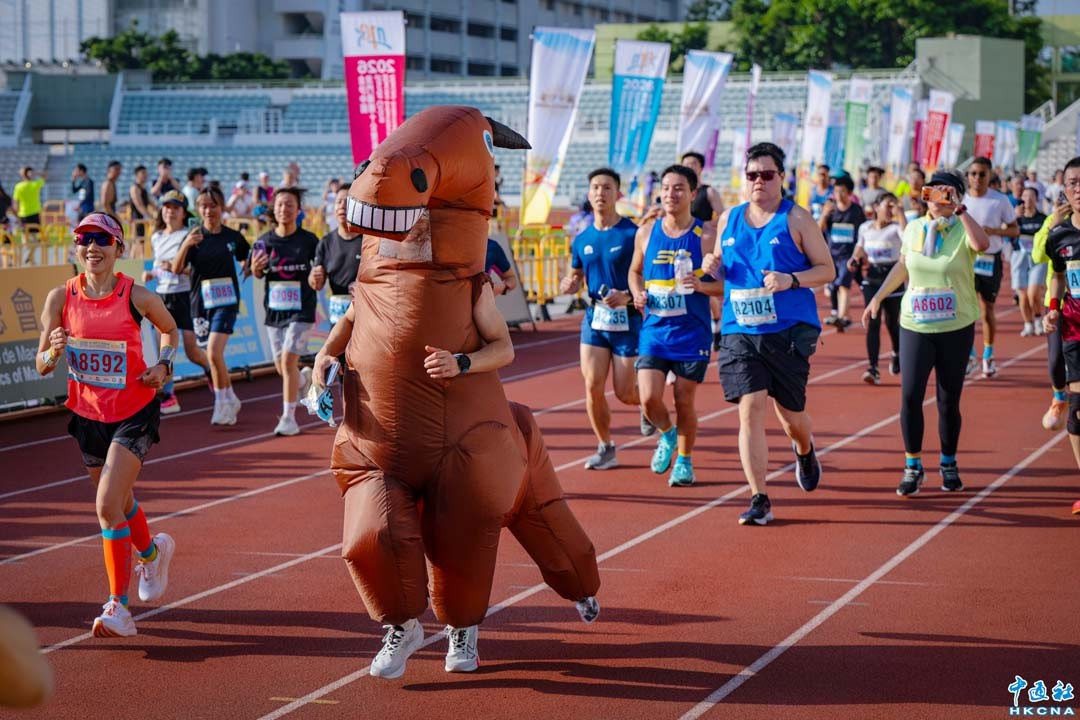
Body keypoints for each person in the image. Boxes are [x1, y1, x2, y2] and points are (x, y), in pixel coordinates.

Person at [34, 211, 178, 637]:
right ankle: (152, 555)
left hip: (134, 412)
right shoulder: (60, 298)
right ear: (76, 247)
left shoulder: (137, 296)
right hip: (88, 415)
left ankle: (119, 606)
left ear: (119, 248)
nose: (92, 247)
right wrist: (53, 351)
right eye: (84, 239)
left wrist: (163, 365)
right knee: (119, 500)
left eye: (102, 239)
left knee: (105, 506)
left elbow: (169, 330)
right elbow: (41, 364)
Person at [704, 142, 832, 525]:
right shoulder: (729, 219)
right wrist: (713, 267)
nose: (759, 181)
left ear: (781, 177)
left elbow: (827, 270)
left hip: (787, 330)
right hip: (739, 329)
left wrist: (791, 279)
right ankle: (759, 496)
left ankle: (804, 449)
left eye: (766, 174)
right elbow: (725, 269)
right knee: (750, 409)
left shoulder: (797, 219)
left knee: (791, 416)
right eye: (752, 175)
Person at [862, 170, 990, 497]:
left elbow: (982, 245)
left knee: (948, 400)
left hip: (955, 326)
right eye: (932, 191)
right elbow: (904, 265)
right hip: (916, 324)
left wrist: (960, 211)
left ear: (957, 197)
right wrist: (878, 297)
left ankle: (948, 463)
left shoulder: (964, 227)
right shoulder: (914, 227)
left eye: (946, 193)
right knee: (910, 396)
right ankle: (913, 466)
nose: (937, 198)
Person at [629, 165, 720, 487]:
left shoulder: (706, 236)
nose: (671, 194)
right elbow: (635, 271)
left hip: (692, 332)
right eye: (666, 187)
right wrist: (637, 292)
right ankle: (667, 434)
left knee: (683, 400)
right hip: (654, 331)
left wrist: (702, 285)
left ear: (693, 194)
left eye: (679, 188)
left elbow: (728, 285)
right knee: (648, 399)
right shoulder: (646, 232)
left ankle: (684, 461)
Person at [560, 168, 649, 471]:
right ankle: (605, 447)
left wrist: (628, 295)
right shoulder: (582, 238)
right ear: (589, 194)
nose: (600, 193)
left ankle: (647, 402)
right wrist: (570, 283)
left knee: (625, 393)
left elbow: (648, 275)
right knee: (592, 386)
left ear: (618, 194)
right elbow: (576, 273)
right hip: (595, 319)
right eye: (596, 187)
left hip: (627, 318)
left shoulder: (632, 233)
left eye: (607, 187)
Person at [172, 187, 250, 425]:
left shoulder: (233, 237)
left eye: (213, 205)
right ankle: (229, 398)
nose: (208, 211)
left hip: (227, 302)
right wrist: (186, 245)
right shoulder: (194, 237)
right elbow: (176, 269)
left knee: (214, 352)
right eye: (204, 206)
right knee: (213, 357)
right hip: (200, 303)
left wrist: (250, 267)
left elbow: (247, 259)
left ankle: (220, 404)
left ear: (221, 207)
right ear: (198, 209)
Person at [249, 187, 318, 435]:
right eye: (280, 204)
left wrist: (316, 276)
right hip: (275, 311)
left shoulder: (309, 241)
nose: (284, 209)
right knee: (282, 366)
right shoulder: (263, 242)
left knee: (288, 361)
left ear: (298, 210)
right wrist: (256, 268)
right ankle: (304, 379)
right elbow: (257, 273)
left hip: (302, 310)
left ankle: (289, 418)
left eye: (290, 205)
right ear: (273, 209)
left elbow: (319, 270)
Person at [144, 191, 212, 414]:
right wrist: (152, 273)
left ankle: (212, 370)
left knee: (192, 351)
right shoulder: (157, 236)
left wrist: (176, 268)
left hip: (185, 296)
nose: (170, 212)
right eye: (166, 207)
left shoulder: (189, 235)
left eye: (175, 208)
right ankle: (169, 395)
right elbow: (160, 266)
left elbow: (196, 270)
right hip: (163, 297)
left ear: (184, 213)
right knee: (165, 350)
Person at [1040, 154, 1080, 516]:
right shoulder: (1059, 235)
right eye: (1073, 183)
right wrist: (1053, 307)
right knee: (1078, 412)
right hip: (1074, 327)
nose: (1079, 189)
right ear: (1064, 189)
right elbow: (1057, 275)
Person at [963, 156, 1019, 378]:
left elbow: (1014, 229)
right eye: (973, 174)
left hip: (990, 259)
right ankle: (969, 356)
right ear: (968, 176)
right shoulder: (961, 199)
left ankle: (988, 355)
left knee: (986, 310)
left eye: (982, 174)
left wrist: (993, 231)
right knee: (965, 311)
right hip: (966, 260)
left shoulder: (999, 200)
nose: (977, 178)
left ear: (989, 175)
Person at [849, 192, 905, 383]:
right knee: (873, 322)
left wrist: (901, 214)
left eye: (894, 206)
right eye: (888, 206)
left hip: (893, 276)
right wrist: (855, 258)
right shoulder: (865, 227)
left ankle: (896, 352)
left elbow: (907, 238)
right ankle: (873, 368)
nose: (891, 210)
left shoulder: (896, 228)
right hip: (872, 277)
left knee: (891, 322)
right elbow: (860, 246)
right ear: (876, 207)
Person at [680, 151, 726, 351]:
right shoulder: (679, 192)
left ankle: (717, 324)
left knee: (706, 286)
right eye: (686, 163)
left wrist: (706, 226)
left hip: (703, 243)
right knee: (682, 283)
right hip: (682, 244)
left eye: (693, 163)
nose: (689, 166)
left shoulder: (708, 192)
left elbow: (723, 215)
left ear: (700, 167)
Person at [1032, 195, 1069, 432]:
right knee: (1056, 358)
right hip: (1056, 302)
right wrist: (1053, 226)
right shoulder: (1051, 222)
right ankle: (1059, 398)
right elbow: (1037, 256)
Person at [309, 182, 362, 326]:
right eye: (338, 202)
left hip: (364, 320)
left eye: (348, 202)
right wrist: (314, 277)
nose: (342, 206)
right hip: (337, 319)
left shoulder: (369, 242)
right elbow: (317, 284)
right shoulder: (325, 242)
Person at [819, 173, 866, 330]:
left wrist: (861, 255)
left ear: (850, 193)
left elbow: (863, 233)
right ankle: (844, 316)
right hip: (832, 254)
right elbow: (818, 230)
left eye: (842, 191)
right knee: (834, 285)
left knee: (844, 285)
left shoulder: (856, 211)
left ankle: (841, 317)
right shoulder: (831, 210)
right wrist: (824, 215)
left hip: (849, 256)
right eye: (836, 191)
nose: (839, 195)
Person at [1014, 186, 1048, 337]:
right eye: (1025, 196)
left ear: (1036, 199)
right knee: (1022, 295)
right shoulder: (1016, 218)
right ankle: (1028, 324)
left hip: (1037, 259)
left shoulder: (1042, 218)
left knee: (1033, 293)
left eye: (1031, 196)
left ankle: (1038, 319)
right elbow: (1004, 230)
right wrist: (1014, 217)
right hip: (1019, 257)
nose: (1028, 199)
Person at [128, 165, 155, 242]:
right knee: (137, 243)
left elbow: (151, 203)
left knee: (142, 243)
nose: (145, 175)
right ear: (137, 175)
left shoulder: (143, 189)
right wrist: (150, 217)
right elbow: (139, 205)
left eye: (146, 173)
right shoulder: (134, 188)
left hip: (142, 219)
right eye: (143, 173)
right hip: (136, 220)